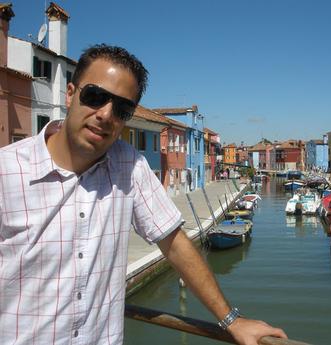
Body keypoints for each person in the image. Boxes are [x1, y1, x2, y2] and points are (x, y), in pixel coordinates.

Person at [0, 44, 287, 345]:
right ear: (70, 94)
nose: (105, 114)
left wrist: (231, 320)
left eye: (122, 109)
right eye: (95, 97)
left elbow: (175, 244)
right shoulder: (6, 171)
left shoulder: (129, 165)